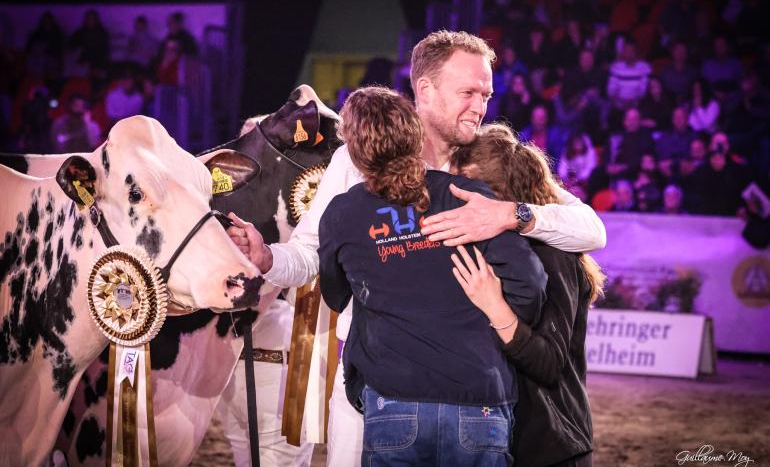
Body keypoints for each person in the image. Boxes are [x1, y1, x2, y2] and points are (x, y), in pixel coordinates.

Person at [227, 30, 606, 467]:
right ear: (424, 89)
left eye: (486, 94)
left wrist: (511, 214)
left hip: (474, 387)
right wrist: (268, 257)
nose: (480, 106)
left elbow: (591, 228)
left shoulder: (486, 158)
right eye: (468, 92)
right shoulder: (356, 160)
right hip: (376, 387)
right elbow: (310, 252)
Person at [318, 87, 547, 466]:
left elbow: (336, 295)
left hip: (394, 401)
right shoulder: (465, 194)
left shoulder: (343, 214)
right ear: (415, 134)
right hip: (478, 398)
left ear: (355, 151)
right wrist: (495, 320)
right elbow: (531, 286)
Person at [449, 124, 604, 467]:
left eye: (463, 187)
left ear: (494, 195)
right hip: (505, 441)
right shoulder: (495, 248)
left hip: (551, 445)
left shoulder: (554, 255)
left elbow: (548, 363)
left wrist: (495, 307)